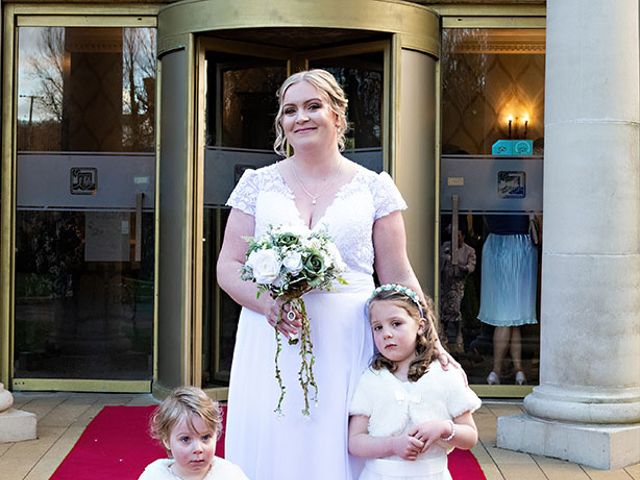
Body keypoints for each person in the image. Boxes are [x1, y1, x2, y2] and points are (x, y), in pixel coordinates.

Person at [216, 69, 454, 480]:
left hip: (349, 339)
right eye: (290, 110)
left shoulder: (373, 188)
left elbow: (398, 274)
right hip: (272, 334)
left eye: (313, 106)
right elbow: (228, 265)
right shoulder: (256, 184)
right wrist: (267, 302)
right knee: (276, 434)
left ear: (338, 116)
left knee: (344, 435)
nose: (301, 117)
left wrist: (431, 341)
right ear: (282, 123)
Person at [348, 284, 480, 480]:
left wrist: (444, 428)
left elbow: (470, 437)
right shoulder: (371, 379)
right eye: (378, 327)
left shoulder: (444, 375)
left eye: (396, 323)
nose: (386, 334)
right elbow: (355, 442)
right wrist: (393, 445)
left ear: (420, 326)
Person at [478, 214, 538, 385]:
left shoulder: (491, 195)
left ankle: (496, 371)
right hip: (521, 246)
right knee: (512, 318)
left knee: (505, 318)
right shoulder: (526, 193)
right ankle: (518, 370)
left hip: (498, 245)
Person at [139, 386, 248, 480]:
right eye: (185, 439)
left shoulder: (230, 475)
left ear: (216, 433)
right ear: (167, 440)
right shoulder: (155, 476)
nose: (198, 449)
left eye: (205, 437)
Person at [440, 224, 476, 353]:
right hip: (445, 283)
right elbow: (438, 261)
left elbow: (471, 267)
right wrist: (446, 257)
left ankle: (459, 335)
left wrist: (460, 266)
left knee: (455, 309)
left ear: (463, 236)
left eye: (459, 236)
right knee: (443, 309)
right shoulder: (446, 247)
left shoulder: (469, 250)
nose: (457, 239)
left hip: (460, 284)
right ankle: (443, 338)